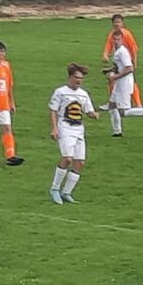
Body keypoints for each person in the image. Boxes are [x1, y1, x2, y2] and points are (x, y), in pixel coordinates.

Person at [48, 63, 100, 204]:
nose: (79, 81)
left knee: (80, 163)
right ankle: (54, 189)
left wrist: (94, 114)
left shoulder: (83, 94)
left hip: (79, 129)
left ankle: (66, 192)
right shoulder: (60, 92)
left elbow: (88, 111)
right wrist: (54, 128)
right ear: (70, 77)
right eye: (76, 78)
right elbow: (53, 110)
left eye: (81, 79)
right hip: (65, 127)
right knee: (67, 159)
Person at [106, 29, 143, 136]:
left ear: (122, 40)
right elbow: (119, 67)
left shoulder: (122, 52)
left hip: (124, 84)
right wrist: (109, 70)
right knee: (112, 105)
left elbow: (129, 68)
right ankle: (117, 132)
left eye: (118, 39)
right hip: (119, 83)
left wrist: (115, 76)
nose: (116, 41)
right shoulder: (116, 50)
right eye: (114, 39)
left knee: (123, 112)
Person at [102, 14, 143, 106]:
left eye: (119, 22)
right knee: (112, 80)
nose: (117, 24)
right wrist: (105, 55)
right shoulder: (111, 35)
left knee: (129, 82)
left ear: (122, 23)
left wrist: (134, 62)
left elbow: (133, 48)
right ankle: (112, 102)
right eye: (115, 22)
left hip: (126, 61)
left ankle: (138, 104)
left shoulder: (126, 34)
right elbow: (108, 46)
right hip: (119, 62)